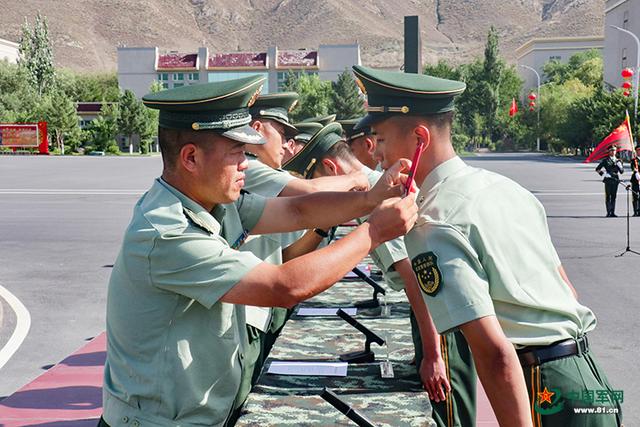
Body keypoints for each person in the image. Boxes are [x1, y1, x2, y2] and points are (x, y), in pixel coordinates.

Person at [99, 75, 418, 426]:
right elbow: (283, 286)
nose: (245, 165)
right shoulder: (166, 231)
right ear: (190, 158)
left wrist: (370, 199)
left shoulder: (213, 204)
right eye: (236, 154)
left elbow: (298, 210)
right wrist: (373, 232)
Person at [353, 64, 623, 427]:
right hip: (588, 377)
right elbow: (566, 289)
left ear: (420, 138)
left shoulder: (432, 222)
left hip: (546, 391)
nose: (377, 155)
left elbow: (494, 354)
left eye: (382, 140)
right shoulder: (505, 189)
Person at [284, 122, 476, 425]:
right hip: (438, 314)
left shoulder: (380, 200)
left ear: (332, 169)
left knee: (446, 413)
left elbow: (416, 279)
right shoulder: (377, 188)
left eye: (317, 186)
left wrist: (434, 354)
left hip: (441, 316)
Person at [596, 146, 624, 217]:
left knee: (614, 196)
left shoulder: (619, 161)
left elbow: (621, 172)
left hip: (615, 180)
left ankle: (613, 212)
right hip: (608, 180)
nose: (613, 152)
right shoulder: (605, 160)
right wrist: (604, 174)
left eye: (614, 150)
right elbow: (597, 169)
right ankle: (608, 212)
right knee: (608, 196)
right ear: (609, 151)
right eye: (611, 150)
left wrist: (620, 167)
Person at [629, 146, 640, 216]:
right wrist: (636, 172)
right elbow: (632, 167)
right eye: (638, 150)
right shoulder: (634, 160)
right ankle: (635, 211)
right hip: (635, 180)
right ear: (636, 151)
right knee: (635, 195)